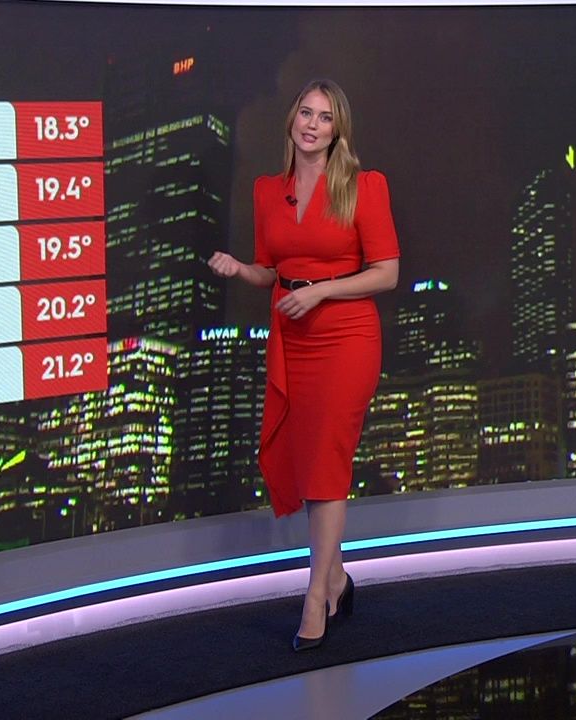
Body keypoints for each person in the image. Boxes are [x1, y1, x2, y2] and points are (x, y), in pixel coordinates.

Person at [208, 79, 400, 651]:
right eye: (306, 113)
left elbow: (386, 272)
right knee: (309, 462)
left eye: (325, 117)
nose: (312, 125)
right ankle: (336, 578)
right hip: (292, 338)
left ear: (338, 130)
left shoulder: (363, 186)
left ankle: (316, 596)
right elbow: (271, 270)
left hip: (346, 337)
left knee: (327, 462)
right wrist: (240, 270)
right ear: (292, 119)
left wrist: (320, 292)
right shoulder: (269, 191)